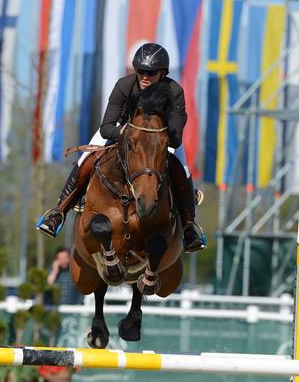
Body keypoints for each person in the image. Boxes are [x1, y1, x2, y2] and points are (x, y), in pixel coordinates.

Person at [37, 43, 205, 253]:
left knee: (183, 167)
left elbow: (176, 137)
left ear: (162, 73)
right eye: (140, 70)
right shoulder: (124, 86)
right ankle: (58, 213)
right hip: (123, 132)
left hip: (160, 138)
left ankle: (190, 227)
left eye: (151, 72)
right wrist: (127, 134)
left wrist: (151, 137)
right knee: (85, 158)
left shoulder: (174, 91)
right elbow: (107, 127)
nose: (144, 76)